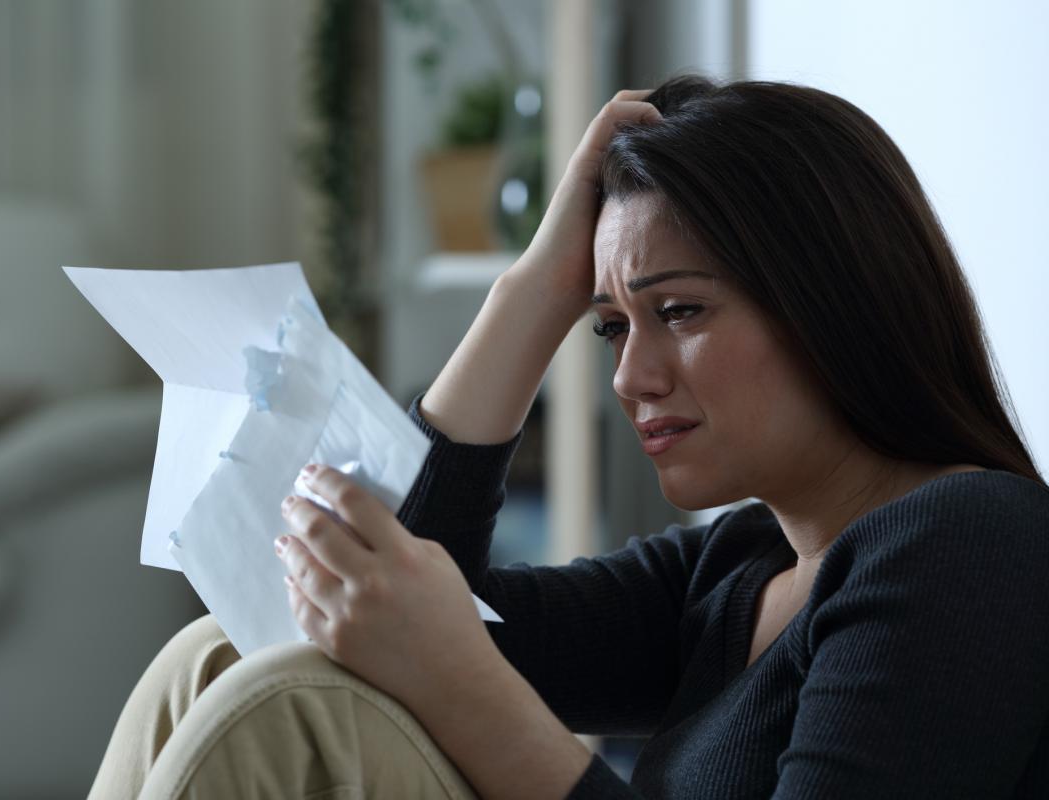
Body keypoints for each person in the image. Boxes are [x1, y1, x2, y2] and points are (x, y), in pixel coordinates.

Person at [89, 76, 1049, 799]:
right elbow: (407, 588)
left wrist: (468, 684)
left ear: (837, 299)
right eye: (610, 328)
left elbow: (442, 638)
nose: (632, 378)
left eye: (679, 310)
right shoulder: (740, 569)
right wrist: (537, 288)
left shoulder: (969, 545)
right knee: (217, 655)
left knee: (287, 708)